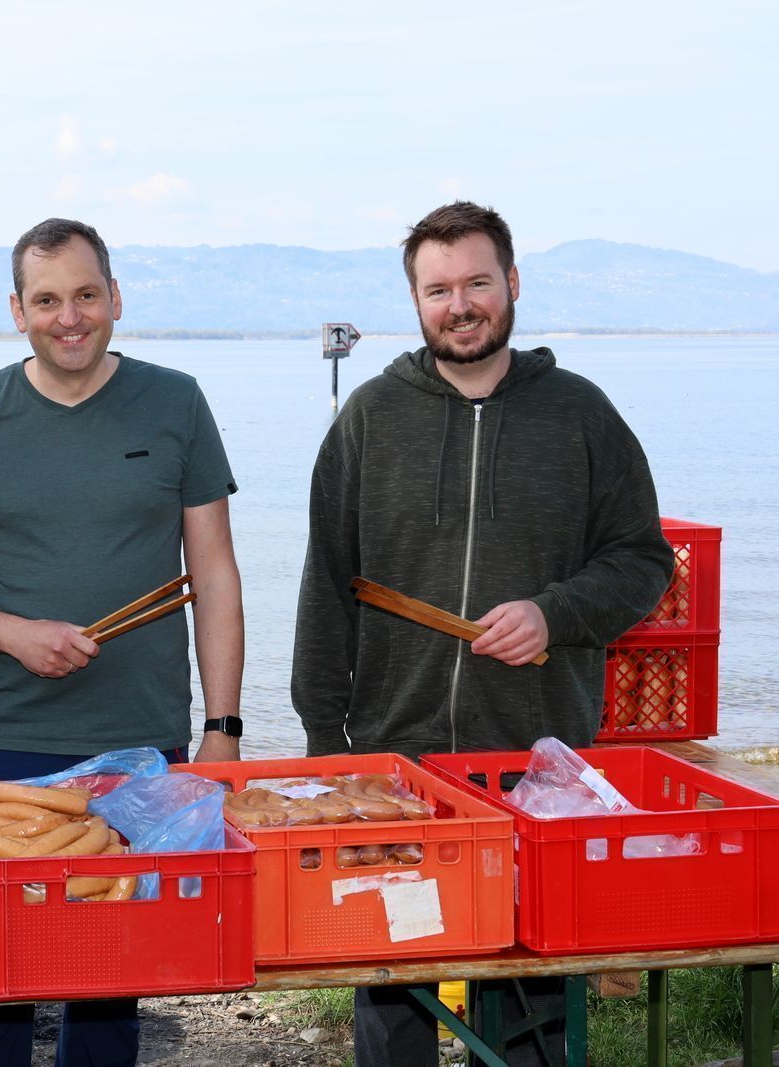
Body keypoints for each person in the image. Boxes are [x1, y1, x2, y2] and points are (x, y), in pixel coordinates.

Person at [291, 200, 673, 1065]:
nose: (459, 305)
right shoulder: (369, 418)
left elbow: (642, 558)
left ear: (512, 283)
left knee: (531, 991)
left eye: (477, 283)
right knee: (395, 979)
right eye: (438, 290)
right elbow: (326, 589)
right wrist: (326, 748)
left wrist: (554, 612)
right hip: (398, 764)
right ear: (416, 301)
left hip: (534, 763)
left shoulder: (580, 414)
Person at [0, 217, 245, 1067]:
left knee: (110, 985)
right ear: (18, 311)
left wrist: (222, 728)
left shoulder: (176, 401)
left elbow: (215, 573)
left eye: (87, 295)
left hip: (142, 741)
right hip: (10, 741)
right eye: (47, 300)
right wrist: (14, 635)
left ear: (115, 298)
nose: (70, 317)